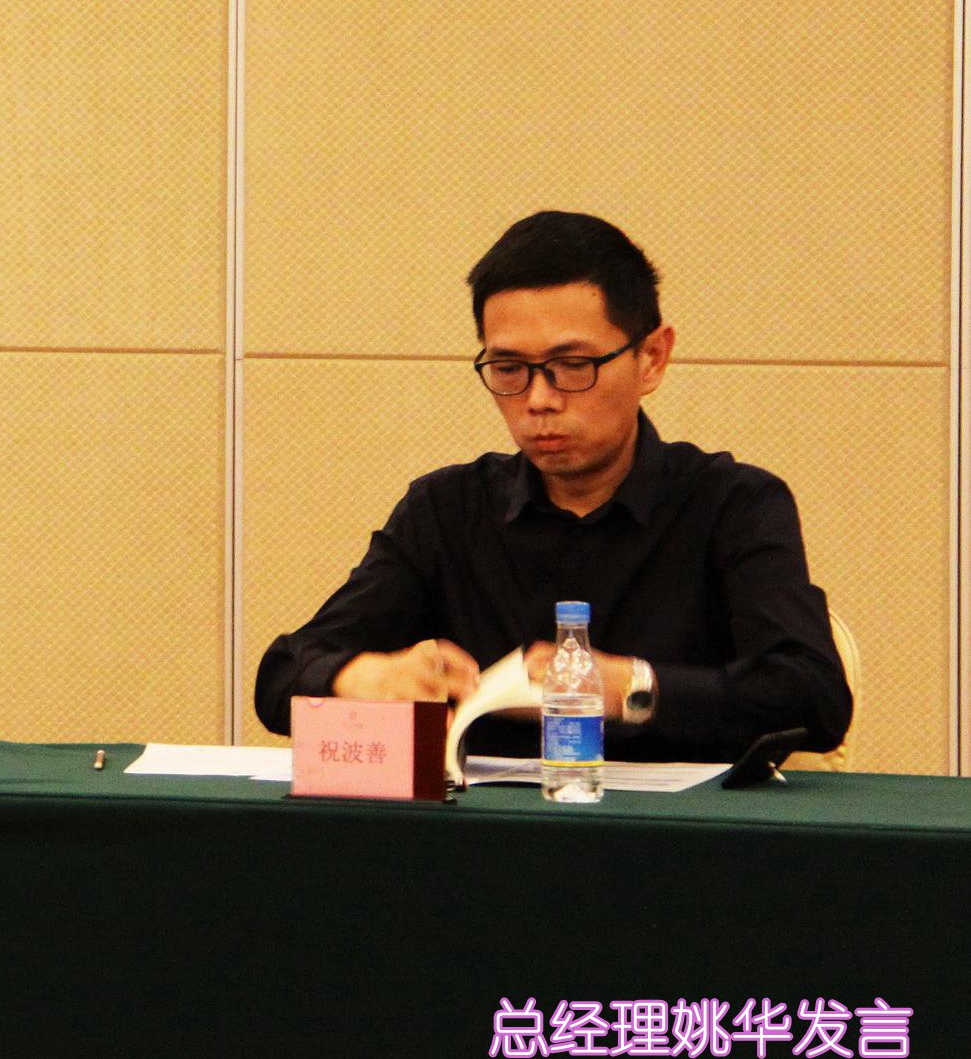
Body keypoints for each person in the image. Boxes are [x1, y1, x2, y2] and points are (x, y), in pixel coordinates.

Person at [254, 211, 851, 762]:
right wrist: (364, 677)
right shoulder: (446, 511)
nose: (539, 399)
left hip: (681, 831)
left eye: (573, 367)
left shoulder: (734, 504)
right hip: (483, 828)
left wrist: (631, 688)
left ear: (651, 357)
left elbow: (814, 696)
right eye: (509, 369)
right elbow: (281, 675)